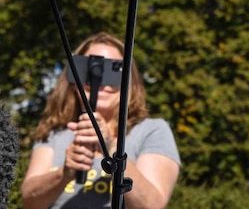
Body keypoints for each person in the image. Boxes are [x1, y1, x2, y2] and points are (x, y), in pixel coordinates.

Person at [21, 32, 180, 209]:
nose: (101, 82)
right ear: (75, 79)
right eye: (91, 71)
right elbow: (29, 201)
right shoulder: (54, 132)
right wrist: (64, 173)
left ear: (129, 81)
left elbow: (152, 205)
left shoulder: (151, 130)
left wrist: (112, 148)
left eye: (114, 71)